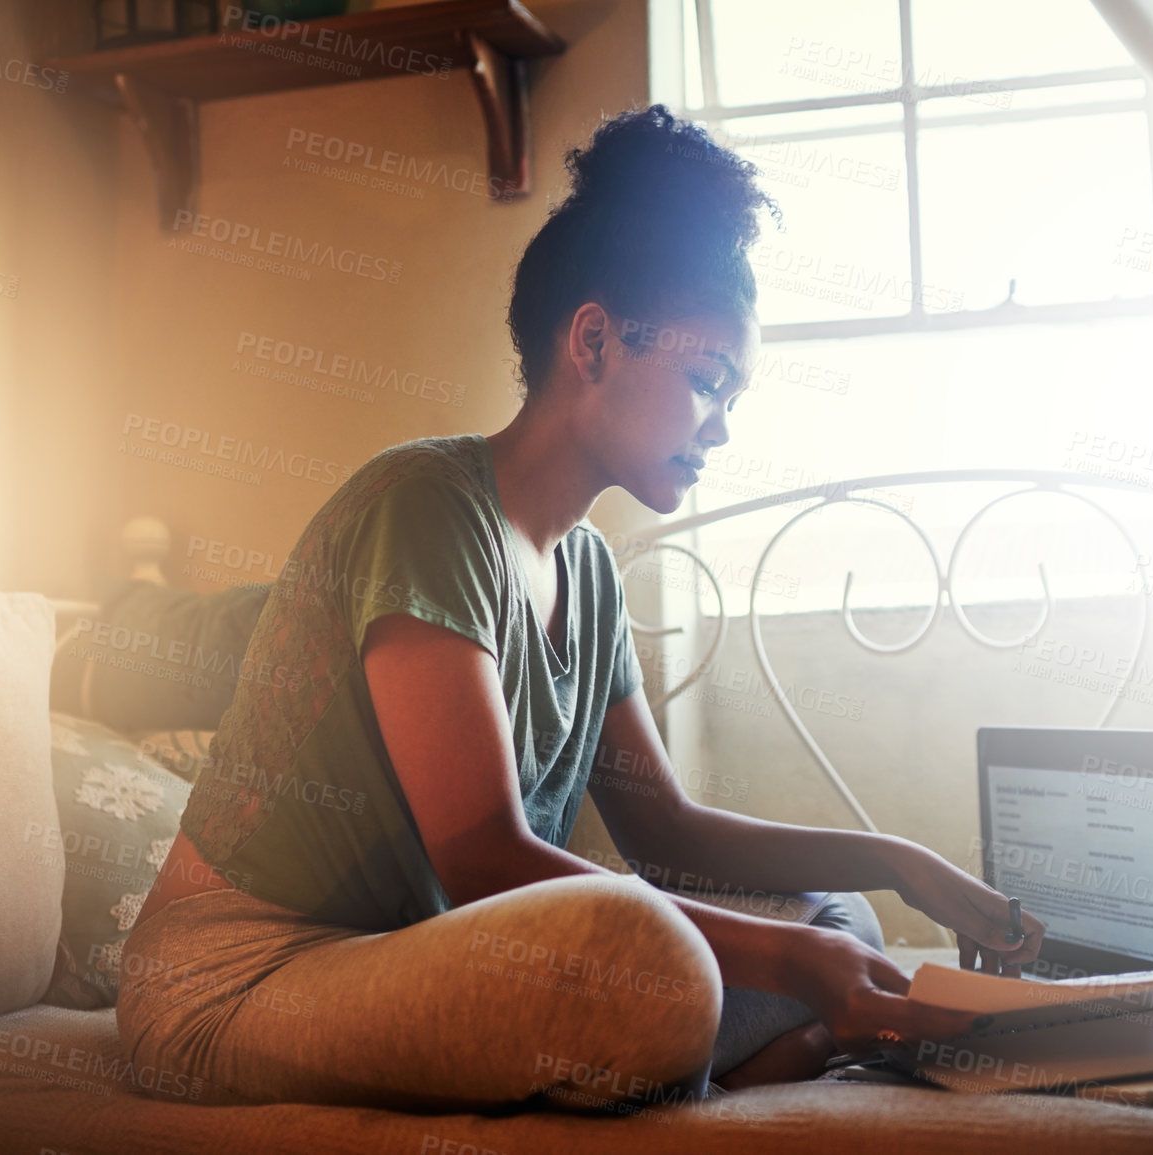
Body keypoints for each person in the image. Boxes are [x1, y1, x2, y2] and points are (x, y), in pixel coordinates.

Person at [119, 103, 1045, 1117]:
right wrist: (790, 963)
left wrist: (898, 864)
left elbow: (670, 835)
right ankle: (725, 1058)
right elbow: (484, 863)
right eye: (708, 381)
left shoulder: (592, 574)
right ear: (595, 342)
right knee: (655, 960)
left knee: (840, 919)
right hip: (237, 986)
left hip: (410, 961)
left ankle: (708, 1062)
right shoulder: (424, 506)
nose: (723, 428)